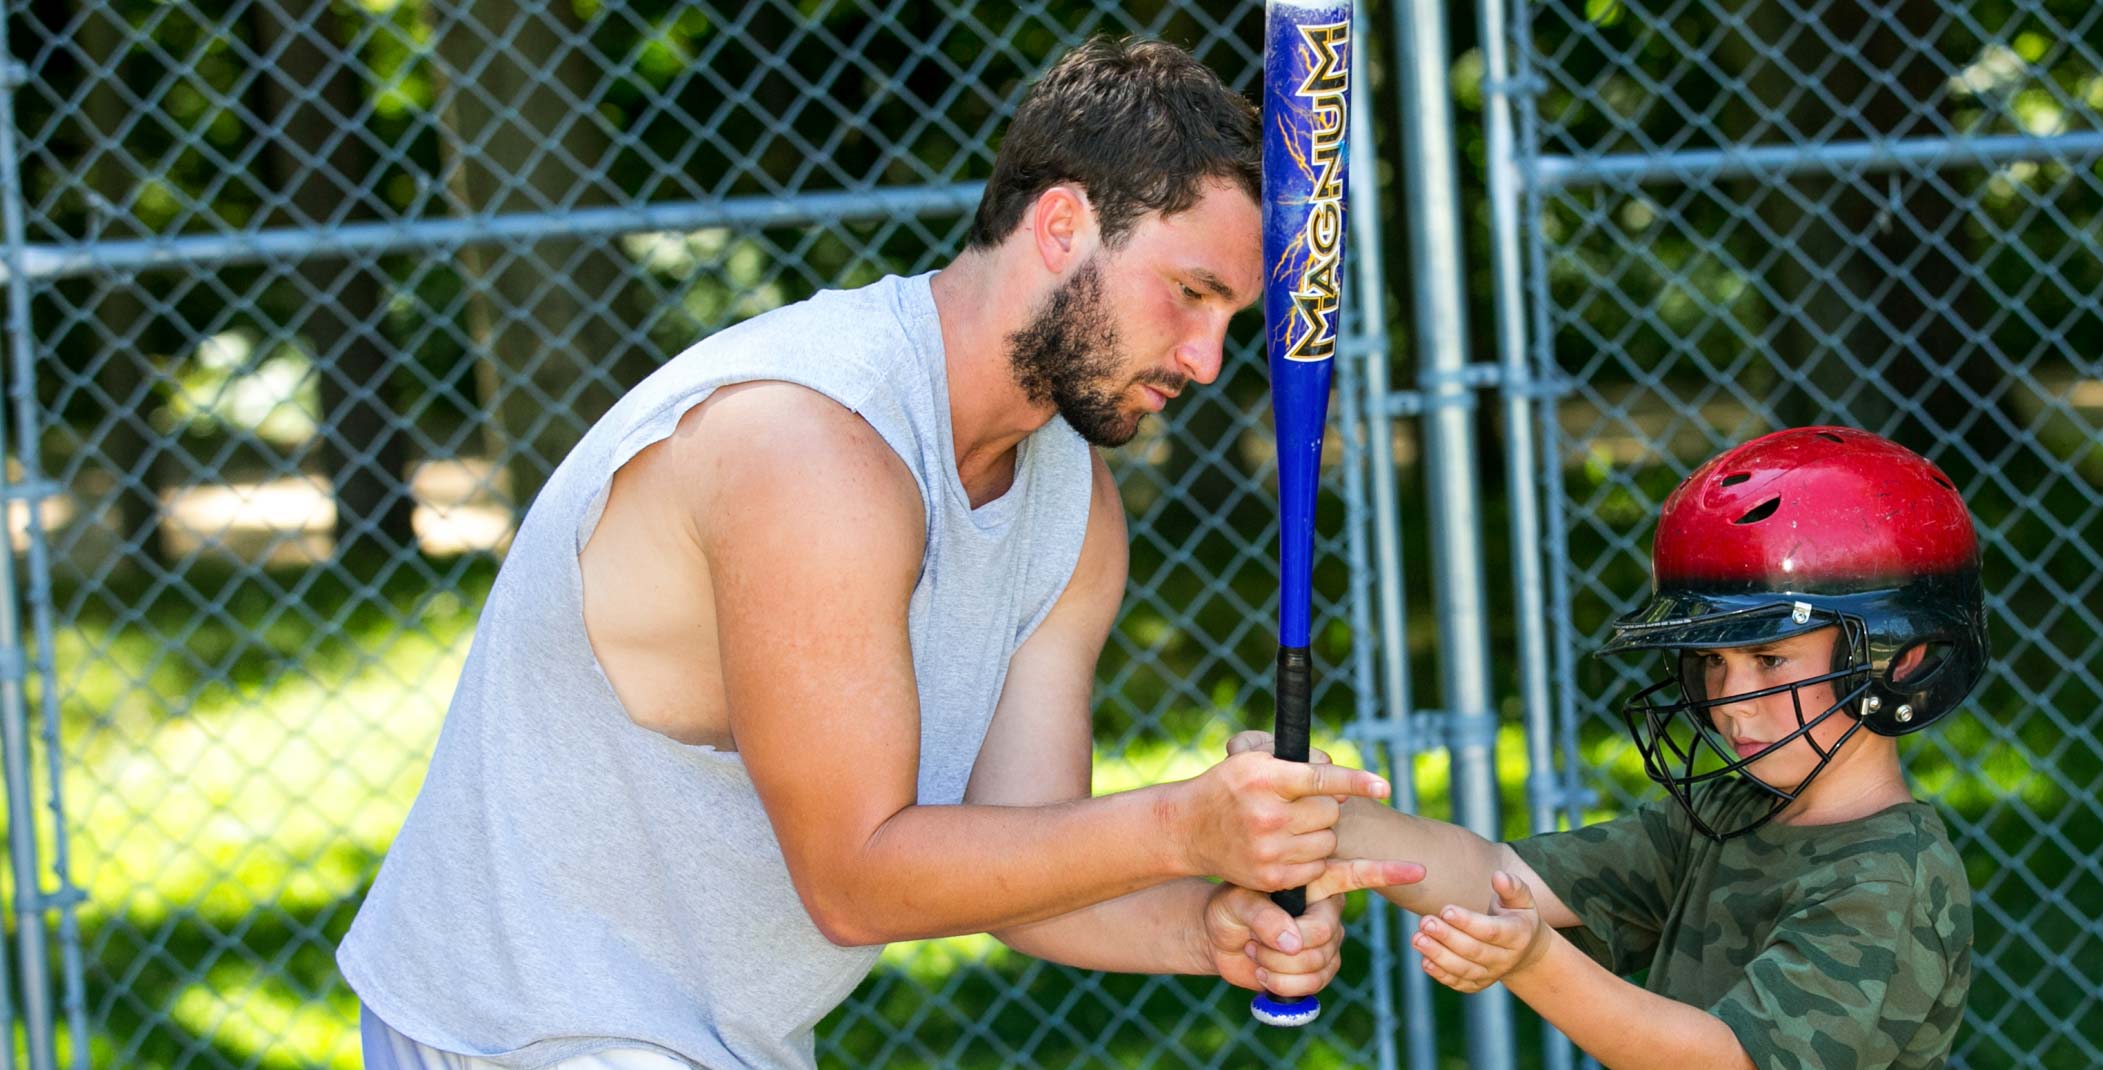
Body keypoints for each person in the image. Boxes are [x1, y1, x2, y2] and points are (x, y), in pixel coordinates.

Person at [337, 37, 1416, 1069]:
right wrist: (1188, 822)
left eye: (1234, 318)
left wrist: (1207, 927)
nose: (1208, 357)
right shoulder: (814, 444)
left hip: (695, 1033)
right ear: (1059, 226)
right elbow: (854, 878)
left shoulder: (1069, 504)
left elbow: (1019, 853)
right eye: (1191, 293)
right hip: (520, 1023)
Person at [1292, 426, 1984, 1068]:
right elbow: (1496, 876)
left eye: (1770, 659)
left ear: (1904, 661)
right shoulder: (1729, 809)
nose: (1726, 699)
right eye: (1711, 662)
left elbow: (1722, 1060)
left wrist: (1536, 963)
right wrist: (1316, 813)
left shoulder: (1889, 881)